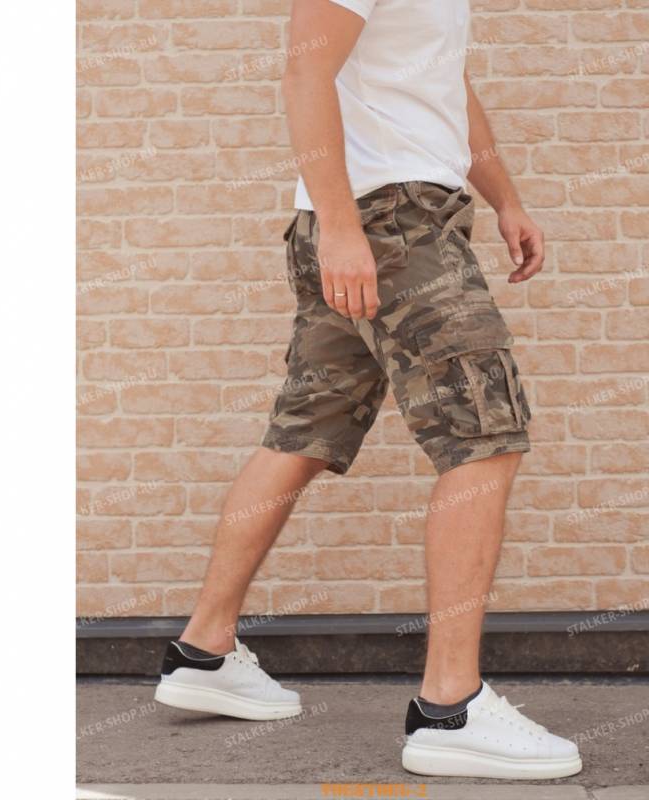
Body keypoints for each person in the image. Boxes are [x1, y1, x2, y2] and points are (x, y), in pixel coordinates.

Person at [154, 0, 581, 780]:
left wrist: (505, 198)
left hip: (391, 219)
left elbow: (445, 83)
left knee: (305, 431)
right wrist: (344, 227)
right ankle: (451, 707)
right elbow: (305, 69)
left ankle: (205, 650)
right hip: (389, 224)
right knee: (484, 436)